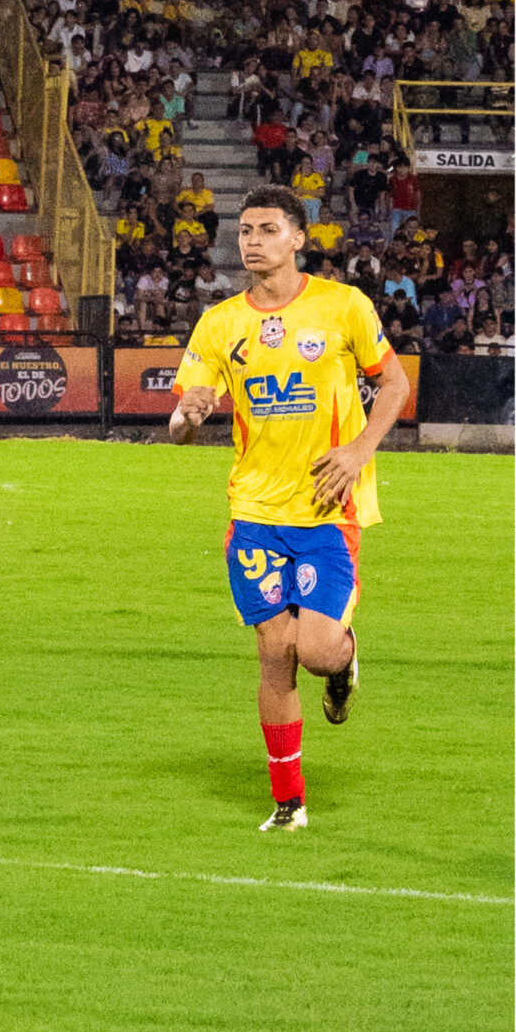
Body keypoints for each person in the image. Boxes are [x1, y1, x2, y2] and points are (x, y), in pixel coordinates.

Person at [169, 188, 411, 831]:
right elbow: (180, 424)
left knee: (317, 651)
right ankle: (289, 802)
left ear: (299, 238)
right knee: (275, 653)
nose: (253, 240)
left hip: (327, 508)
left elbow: (394, 383)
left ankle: (344, 662)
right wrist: (188, 417)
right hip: (254, 511)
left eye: (268, 229)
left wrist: (358, 451)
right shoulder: (219, 323)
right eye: (245, 230)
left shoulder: (342, 305)